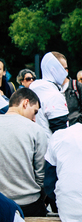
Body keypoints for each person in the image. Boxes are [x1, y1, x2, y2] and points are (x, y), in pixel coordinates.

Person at [0, 88, 47, 217]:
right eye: (34, 112)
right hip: (28, 203)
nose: (34, 118)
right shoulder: (36, 130)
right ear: (25, 103)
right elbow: (41, 175)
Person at [30, 52, 69, 138]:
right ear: (53, 69)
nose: (66, 73)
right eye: (64, 69)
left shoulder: (33, 90)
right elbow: (60, 133)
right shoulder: (54, 95)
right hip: (52, 147)